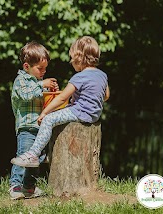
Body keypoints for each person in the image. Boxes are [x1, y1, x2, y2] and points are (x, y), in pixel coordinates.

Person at [11, 36, 110, 168]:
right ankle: (46, 153)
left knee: (49, 120)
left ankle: (33, 154)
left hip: (79, 112)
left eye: (72, 58)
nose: (71, 62)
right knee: (58, 119)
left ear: (79, 58)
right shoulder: (102, 75)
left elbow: (62, 98)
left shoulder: (79, 77)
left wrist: (45, 112)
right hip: (94, 115)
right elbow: (106, 95)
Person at [9, 41, 59, 200]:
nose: (43, 72)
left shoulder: (38, 84)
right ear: (26, 67)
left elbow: (45, 102)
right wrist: (42, 85)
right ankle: (15, 186)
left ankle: (29, 188)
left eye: (45, 69)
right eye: (40, 69)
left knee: (35, 159)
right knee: (24, 156)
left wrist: (51, 94)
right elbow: (26, 95)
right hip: (26, 128)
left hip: (40, 128)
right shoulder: (21, 81)